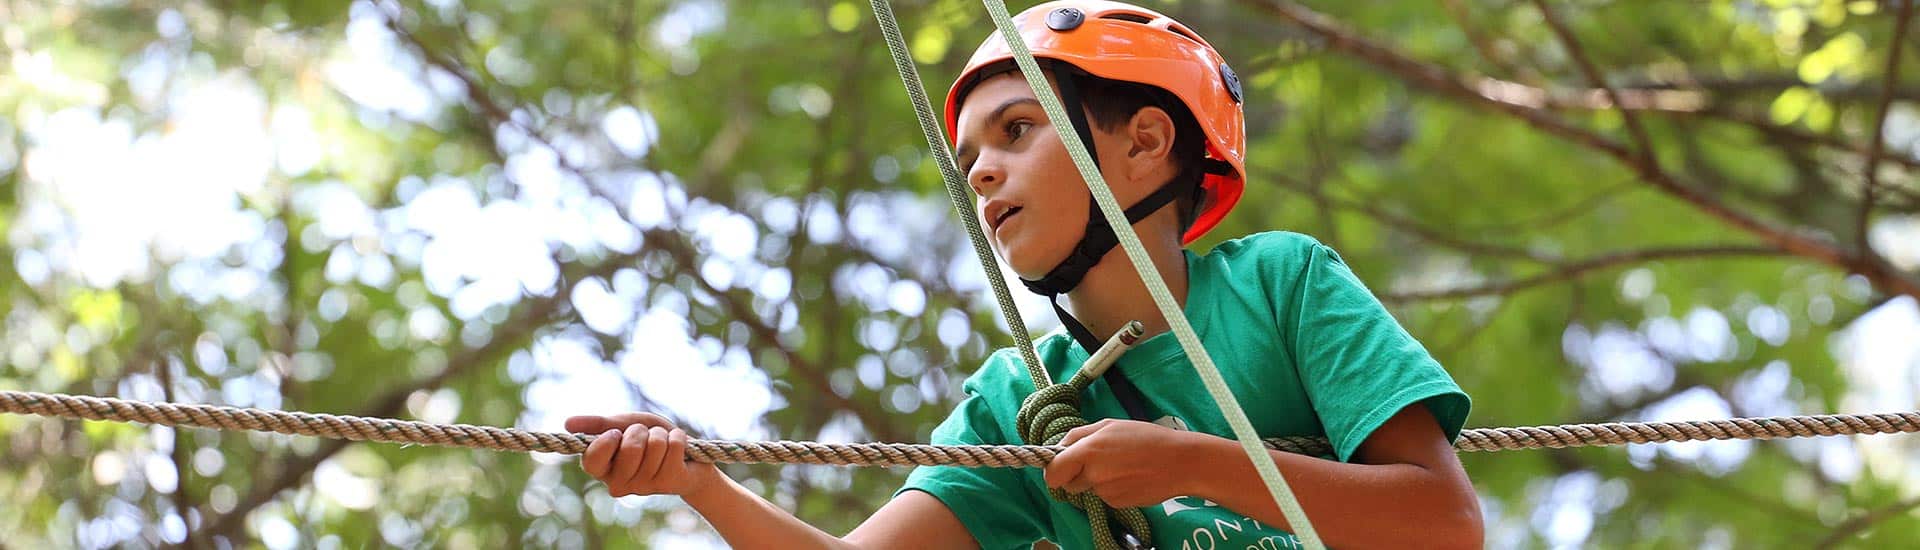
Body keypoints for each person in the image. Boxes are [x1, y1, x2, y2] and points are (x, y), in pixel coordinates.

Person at [566, 2, 1482, 548]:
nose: (981, 173)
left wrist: (1186, 466)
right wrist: (698, 482)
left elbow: (1446, 524)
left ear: (1146, 145)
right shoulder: (1020, 398)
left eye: (1016, 130)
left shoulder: (1280, 285)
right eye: (969, 157)